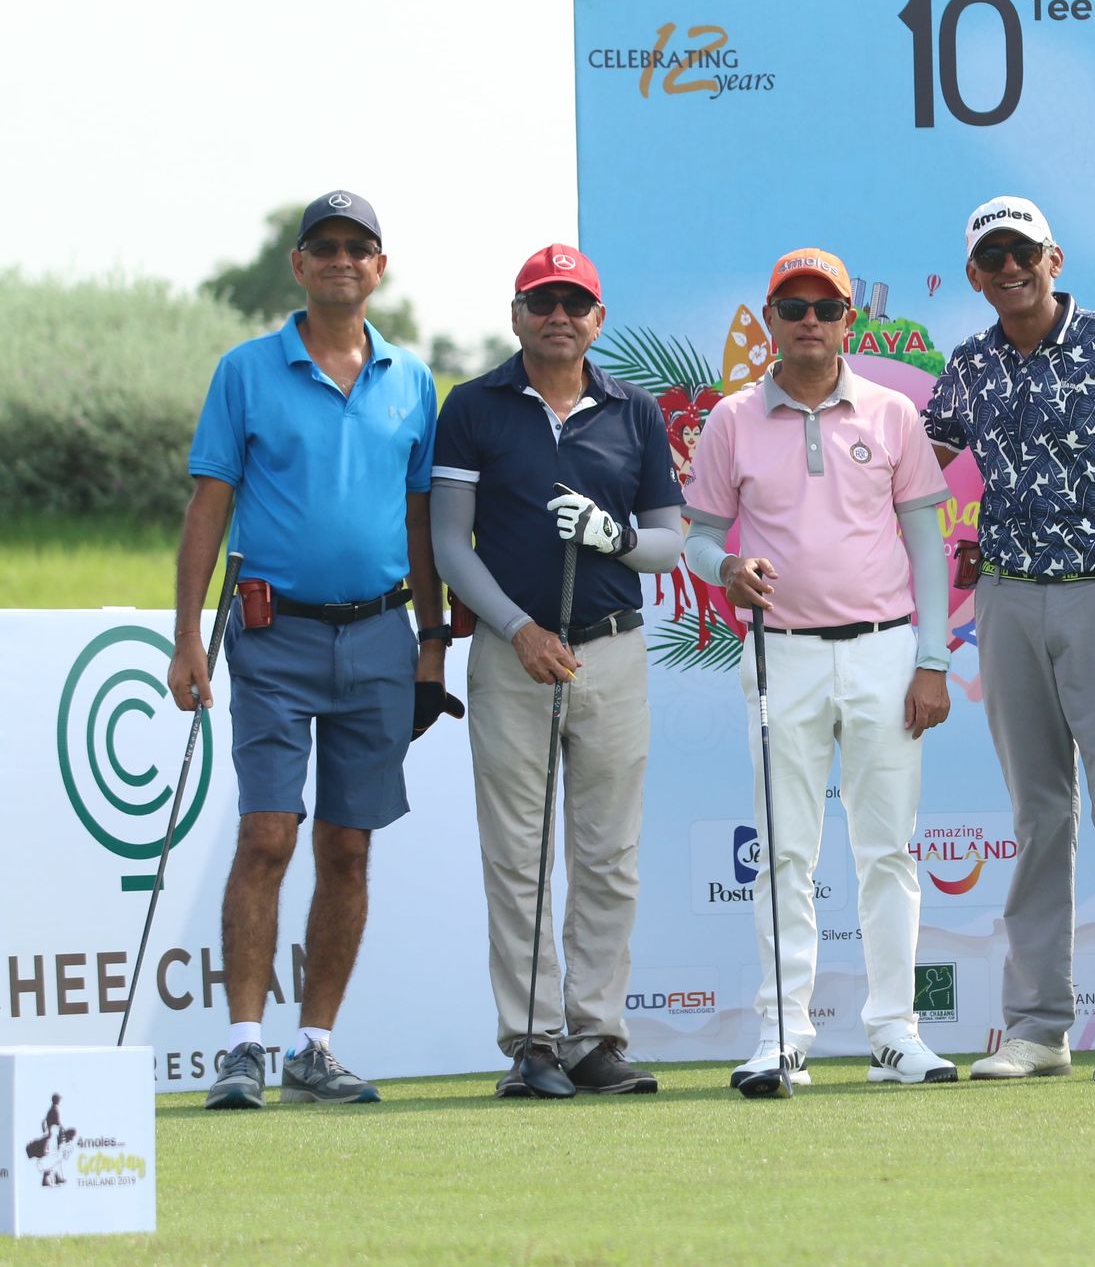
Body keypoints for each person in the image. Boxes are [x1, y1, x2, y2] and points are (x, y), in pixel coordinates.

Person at [171, 190, 453, 1111]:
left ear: (380, 266)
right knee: (266, 835)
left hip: (379, 633)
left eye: (357, 247)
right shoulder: (246, 371)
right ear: (299, 264)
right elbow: (208, 506)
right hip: (272, 633)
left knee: (348, 846)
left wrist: (429, 641)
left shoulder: (413, 381)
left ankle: (315, 1045)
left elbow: (421, 521)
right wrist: (186, 638)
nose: (341, 259)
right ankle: (244, 1045)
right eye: (324, 246)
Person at [925, 196, 1095, 1081]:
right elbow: (908, 471)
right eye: (992, 256)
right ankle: (1038, 1028)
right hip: (1006, 603)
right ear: (975, 274)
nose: (1010, 268)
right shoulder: (968, 365)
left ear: (1053, 258)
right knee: (1039, 817)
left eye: (1024, 252)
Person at [684, 247, 958, 1091]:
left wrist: (933, 657)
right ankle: (781, 1036)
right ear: (771, 319)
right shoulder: (732, 419)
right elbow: (698, 535)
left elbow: (924, 540)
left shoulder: (890, 414)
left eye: (823, 307)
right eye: (792, 306)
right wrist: (723, 568)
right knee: (784, 853)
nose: (808, 321)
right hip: (781, 655)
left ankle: (893, 1034)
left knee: (887, 853)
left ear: (849, 320)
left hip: (884, 649)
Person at [432, 244, 684, 1098]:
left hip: (611, 647)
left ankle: (595, 1034)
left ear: (598, 320)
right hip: (513, 656)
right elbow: (446, 542)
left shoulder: (634, 413)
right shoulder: (473, 406)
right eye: (542, 301)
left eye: (575, 303)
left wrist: (612, 536)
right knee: (519, 854)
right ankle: (533, 1041)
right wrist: (516, 626)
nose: (559, 316)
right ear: (516, 314)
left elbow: (669, 541)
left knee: (609, 853)